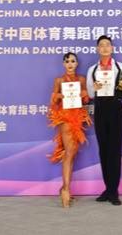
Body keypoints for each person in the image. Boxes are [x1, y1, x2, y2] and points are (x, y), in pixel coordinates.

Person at [86, 35, 122, 205]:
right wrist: (94, 88)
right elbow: (90, 94)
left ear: (112, 48)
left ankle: (114, 191)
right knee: (104, 150)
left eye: (108, 44)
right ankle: (107, 189)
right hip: (100, 109)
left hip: (115, 108)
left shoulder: (121, 67)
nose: (105, 47)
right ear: (97, 49)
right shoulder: (92, 70)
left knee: (115, 149)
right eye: (101, 45)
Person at [48, 51, 92, 207]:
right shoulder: (59, 80)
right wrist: (60, 96)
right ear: (63, 64)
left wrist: (84, 94)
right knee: (69, 152)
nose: (70, 64)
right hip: (65, 118)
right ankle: (66, 190)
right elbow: (53, 101)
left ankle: (65, 187)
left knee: (72, 152)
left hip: (77, 119)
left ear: (77, 63)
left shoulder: (81, 79)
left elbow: (86, 100)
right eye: (67, 61)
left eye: (73, 61)